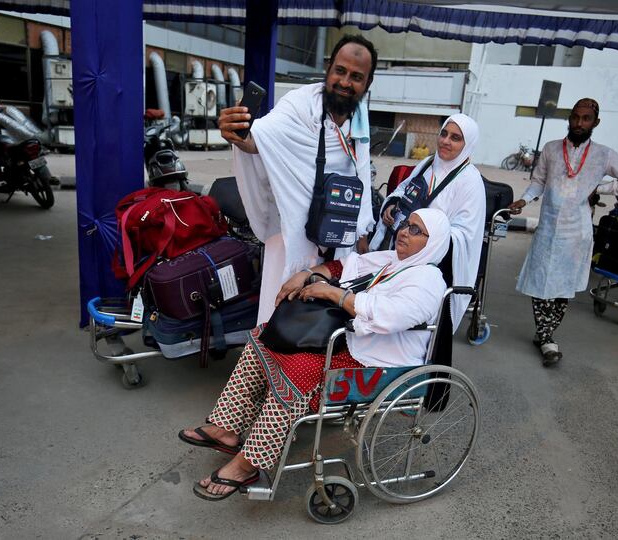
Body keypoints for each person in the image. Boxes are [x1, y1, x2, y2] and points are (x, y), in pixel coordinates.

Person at [178, 208, 451, 501]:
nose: (404, 232)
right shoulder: (392, 260)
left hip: (379, 361)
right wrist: (308, 274)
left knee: (298, 370)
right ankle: (227, 427)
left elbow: (390, 316)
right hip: (351, 342)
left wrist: (333, 294)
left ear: (433, 244)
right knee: (265, 335)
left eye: (416, 231)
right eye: (406, 224)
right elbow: (348, 264)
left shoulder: (428, 280)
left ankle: (250, 463)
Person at [218, 35, 378, 324]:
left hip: (337, 238)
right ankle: (270, 367)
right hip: (293, 233)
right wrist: (238, 132)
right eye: (340, 71)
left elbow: (361, 178)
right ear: (328, 69)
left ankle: (306, 369)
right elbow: (261, 139)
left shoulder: (360, 119)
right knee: (279, 313)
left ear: (367, 84)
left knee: (321, 319)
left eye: (356, 77)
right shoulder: (300, 104)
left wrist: (361, 233)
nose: (345, 82)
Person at [508, 98, 618, 367]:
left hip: (577, 232)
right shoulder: (550, 149)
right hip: (547, 228)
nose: (579, 123)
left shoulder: (604, 154)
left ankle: (545, 334)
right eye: (575, 117)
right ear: (569, 118)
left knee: (563, 287)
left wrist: (600, 189)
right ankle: (547, 338)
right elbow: (537, 182)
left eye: (586, 119)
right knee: (540, 282)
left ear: (596, 123)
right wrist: (524, 200)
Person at [369, 113, 486, 333]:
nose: (445, 141)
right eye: (444, 134)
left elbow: (464, 234)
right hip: (404, 253)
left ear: (467, 143)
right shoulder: (428, 163)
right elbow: (403, 190)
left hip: (435, 266)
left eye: (455, 137)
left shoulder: (470, 180)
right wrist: (392, 206)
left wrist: (429, 235)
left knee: (418, 322)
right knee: (392, 310)